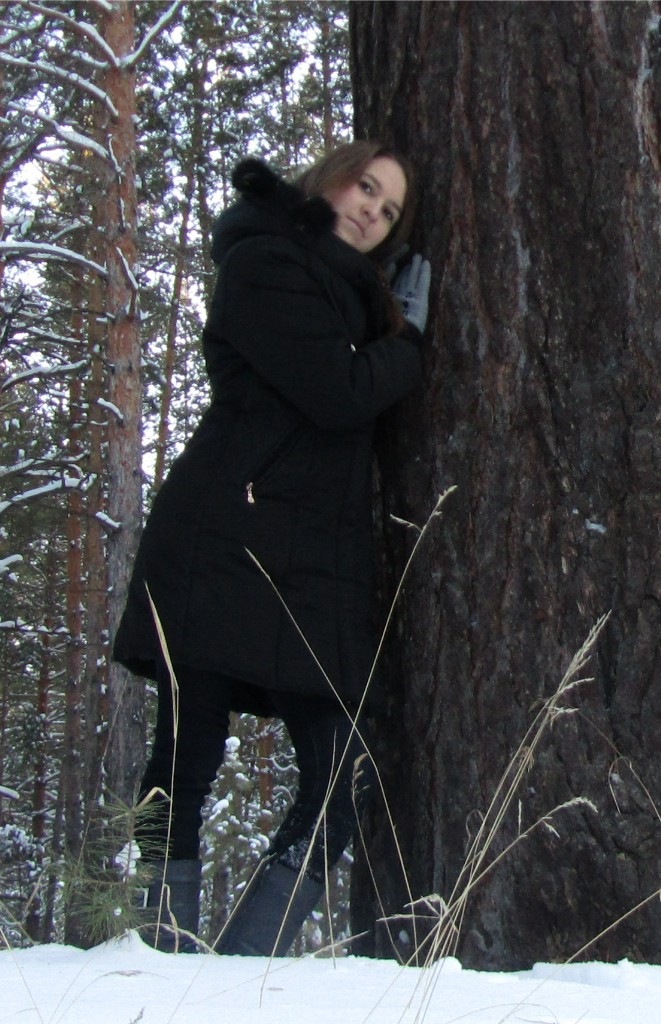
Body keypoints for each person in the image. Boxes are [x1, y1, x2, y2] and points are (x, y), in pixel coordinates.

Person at [113, 139, 431, 955]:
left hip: (310, 559)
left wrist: (387, 326)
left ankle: (241, 970)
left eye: (389, 209)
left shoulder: (355, 299)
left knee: (342, 776)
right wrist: (407, 343)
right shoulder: (263, 261)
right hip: (220, 536)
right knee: (183, 760)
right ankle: (158, 951)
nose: (371, 211)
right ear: (328, 179)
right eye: (365, 188)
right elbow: (338, 392)